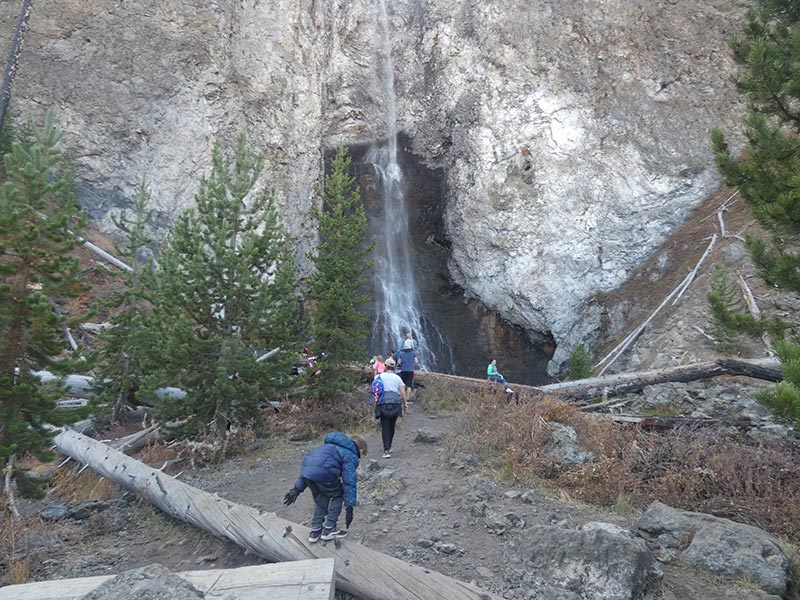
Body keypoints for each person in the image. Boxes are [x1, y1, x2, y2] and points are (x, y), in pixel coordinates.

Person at [282, 432, 367, 543]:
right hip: (324, 474)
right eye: (362, 456)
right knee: (338, 494)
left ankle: (315, 530)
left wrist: (296, 489)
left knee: (322, 495)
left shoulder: (328, 447)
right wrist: (349, 506)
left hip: (308, 472)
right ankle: (329, 529)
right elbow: (349, 481)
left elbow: (311, 468)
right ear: (361, 451)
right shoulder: (350, 454)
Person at [375, 357, 406, 458]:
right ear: (393, 367)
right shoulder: (397, 378)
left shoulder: (378, 377)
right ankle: (389, 446)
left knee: (385, 426)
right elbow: (403, 392)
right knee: (392, 426)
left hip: (383, 403)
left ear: (385, 366)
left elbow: (375, 391)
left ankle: (386, 449)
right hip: (395, 404)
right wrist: (405, 403)